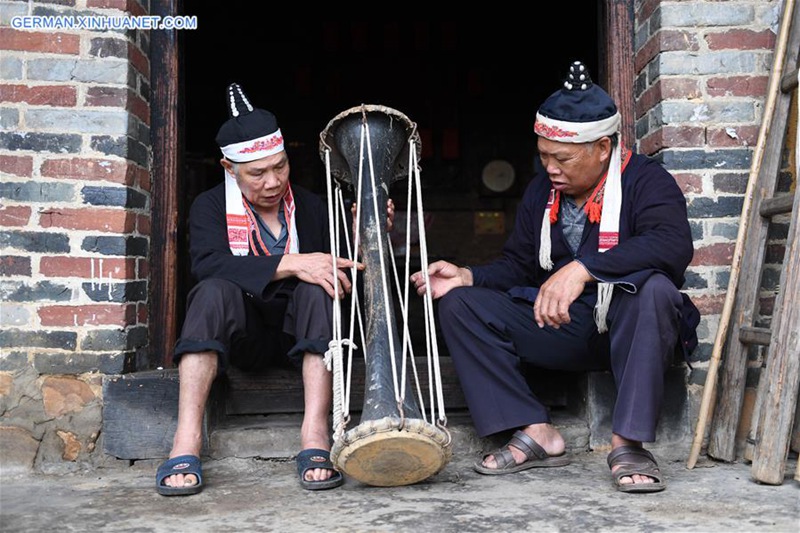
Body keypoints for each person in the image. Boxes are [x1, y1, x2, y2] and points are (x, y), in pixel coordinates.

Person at [411, 61, 699, 493]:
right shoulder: (540, 192)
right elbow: (519, 266)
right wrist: (468, 276)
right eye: (543, 156)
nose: (550, 168)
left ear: (602, 148)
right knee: (458, 304)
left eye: (561, 157)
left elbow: (673, 246)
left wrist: (583, 269)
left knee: (655, 290)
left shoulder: (646, 182)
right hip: (563, 326)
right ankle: (536, 429)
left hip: (628, 329)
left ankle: (629, 442)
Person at [155, 83, 391, 496]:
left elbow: (346, 268)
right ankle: (186, 441)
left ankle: (315, 434)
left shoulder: (313, 205)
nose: (272, 181)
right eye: (257, 173)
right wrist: (295, 262)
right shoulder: (210, 206)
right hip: (242, 337)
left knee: (322, 286)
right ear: (230, 169)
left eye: (280, 167)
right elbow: (208, 263)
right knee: (211, 291)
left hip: (299, 335)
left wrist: (364, 234)